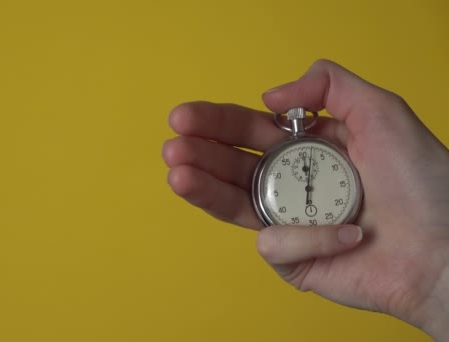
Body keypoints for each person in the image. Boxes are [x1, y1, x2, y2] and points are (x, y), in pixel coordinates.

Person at [162, 59, 449, 340]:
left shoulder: (338, 157)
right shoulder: (284, 164)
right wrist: (433, 283)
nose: (309, 191)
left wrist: (435, 266)